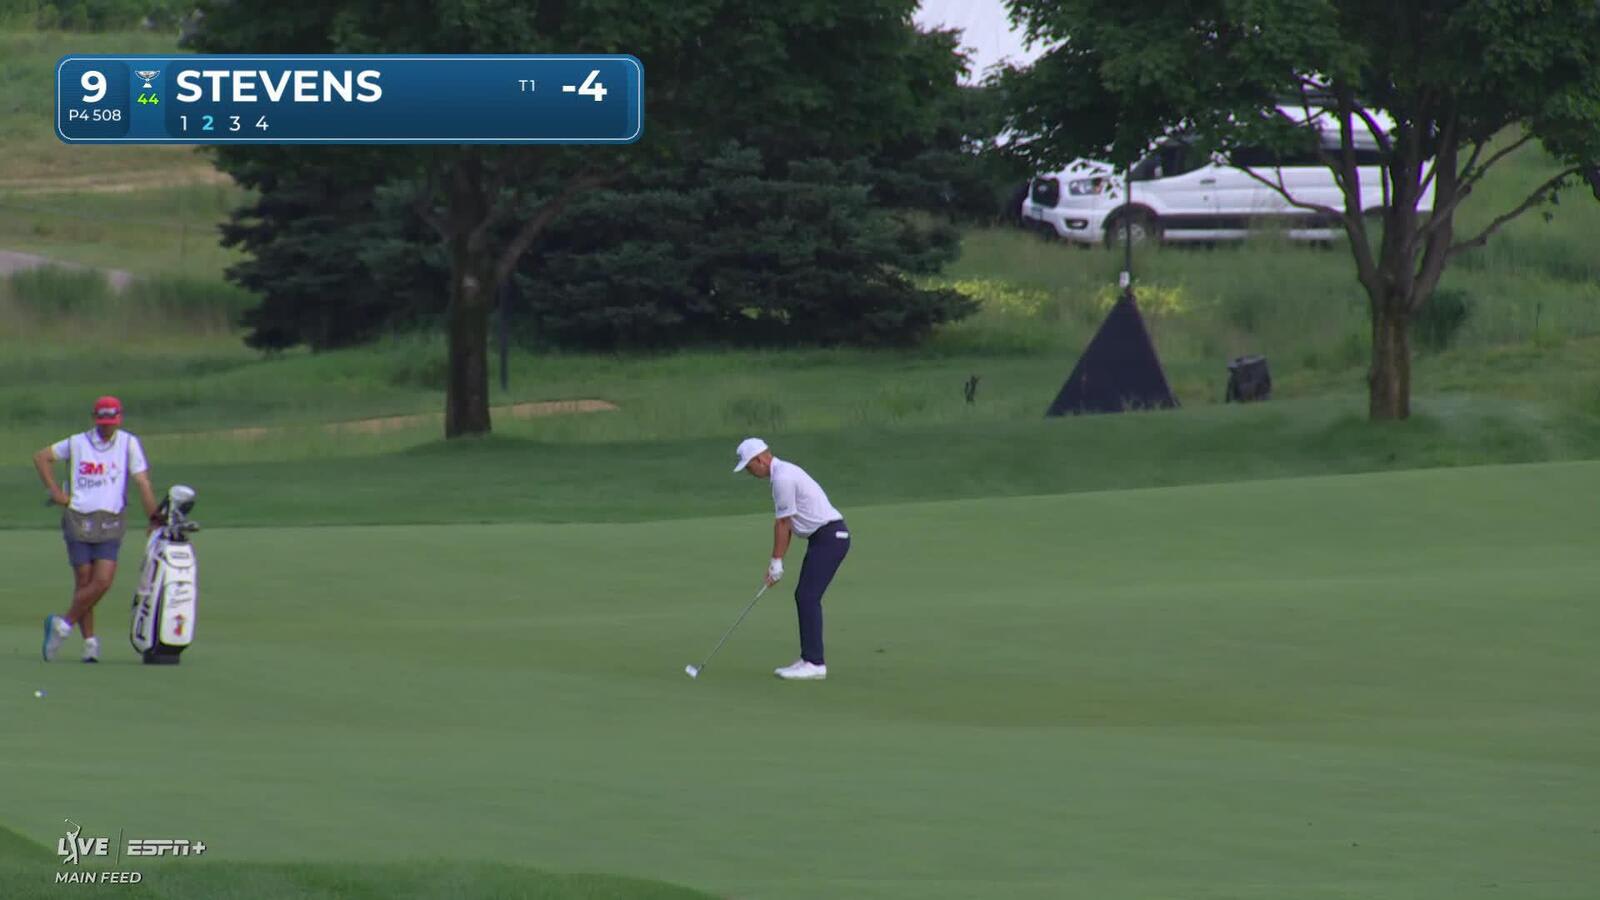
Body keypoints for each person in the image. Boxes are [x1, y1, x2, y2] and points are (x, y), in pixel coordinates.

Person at [34, 396, 158, 663]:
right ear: (95, 419)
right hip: (78, 518)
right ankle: (90, 644)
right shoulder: (78, 442)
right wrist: (55, 492)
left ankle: (62, 625)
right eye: (102, 423)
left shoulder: (128, 443)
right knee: (84, 581)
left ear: (119, 419)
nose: (106, 428)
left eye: (110, 423)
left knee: (102, 581)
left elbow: (143, 482)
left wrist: (153, 518)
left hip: (111, 519)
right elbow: (42, 457)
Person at [733, 438, 850, 681]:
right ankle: (810, 658)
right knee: (805, 595)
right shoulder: (782, 474)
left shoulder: (783, 478)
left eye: (748, 466)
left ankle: (815, 663)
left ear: (760, 460)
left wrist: (776, 562)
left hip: (831, 537)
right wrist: (777, 561)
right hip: (824, 538)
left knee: (807, 596)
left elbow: (783, 524)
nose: (748, 472)